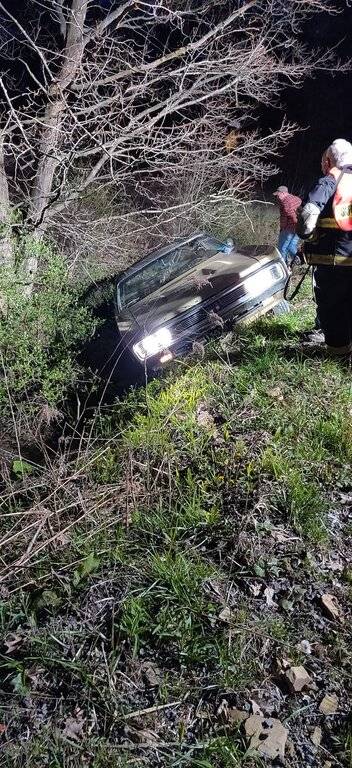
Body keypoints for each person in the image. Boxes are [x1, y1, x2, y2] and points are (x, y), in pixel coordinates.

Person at [297, 138, 352, 356]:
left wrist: (308, 238)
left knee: (333, 307)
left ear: (329, 161)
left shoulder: (329, 181)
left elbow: (307, 217)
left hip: (332, 261)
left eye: (323, 161)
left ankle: (338, 355)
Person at [273, 185, 302, 264]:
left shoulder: (285, 201)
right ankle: (299, 259)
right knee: (291, 246)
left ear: (282, 193)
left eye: (278, 195)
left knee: (282, 248)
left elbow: (287, 216)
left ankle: (283, 266)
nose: (277, 197)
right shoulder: (297, 199)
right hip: (299, 227)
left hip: (289, 228)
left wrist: (282, 228)